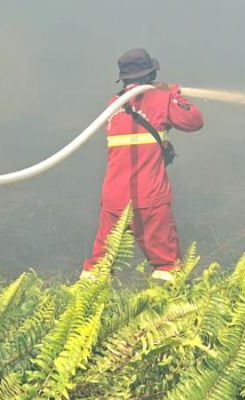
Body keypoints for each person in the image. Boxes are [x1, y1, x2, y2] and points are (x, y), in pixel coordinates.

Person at [82, 49, 204, 281]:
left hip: (114, 199)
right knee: (167, 266)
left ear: (124, 78)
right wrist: (174, 95)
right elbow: (194, 121)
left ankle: (82, 310)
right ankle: (165, 311)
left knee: (98, 266)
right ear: (151, 74)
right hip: (149, 197)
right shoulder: (162, 98)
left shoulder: (113, 104)